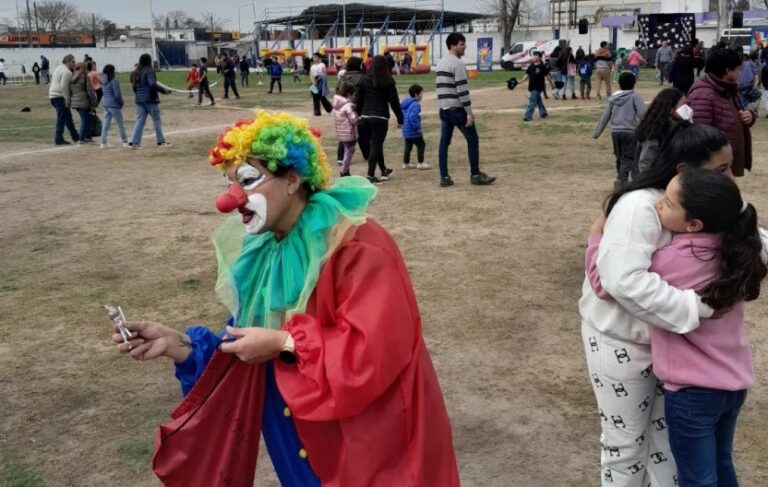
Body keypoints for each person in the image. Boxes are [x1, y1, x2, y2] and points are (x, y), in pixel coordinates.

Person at [110, 111, 461, 487]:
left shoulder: (358, 245)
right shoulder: (263, 251)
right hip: (295, 445)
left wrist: (284, 343)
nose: (230, 200)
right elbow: (248, 345)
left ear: (293, 180)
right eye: (230, 183)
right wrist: (177, 345)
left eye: (247, 181)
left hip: (365, 452)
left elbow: (372, 353)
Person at [580, 123, 736, 487]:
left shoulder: (710, 203)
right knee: (625, 449)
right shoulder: (640, 207)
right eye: (721, 169)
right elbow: (619, 281)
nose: (732, 178)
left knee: (666, 446)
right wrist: (698, 306)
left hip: (672, 349)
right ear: (683, 171)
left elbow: (752, 237)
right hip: (621, 342)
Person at [647, 169, 764, 486]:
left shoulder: (670, 262)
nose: (658, 205)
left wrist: (597, 237)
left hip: (692, 392)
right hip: (733, 384)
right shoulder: (737, 250)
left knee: (697, 479)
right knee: (722, 464)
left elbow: (613, 284)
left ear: (694, 225)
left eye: (668, 203)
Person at [435, 33, 496, 187]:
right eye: (462, 44)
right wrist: (469, 112)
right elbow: (462, 90)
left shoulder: (440, 63)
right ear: (453, 46)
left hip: (444, 108)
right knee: (473, 139)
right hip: (457, 109)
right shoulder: (458, 64)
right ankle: (475, 175)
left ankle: (444, 177)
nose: (465, 47)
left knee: (444, 143)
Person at [687, 48, 756, 177]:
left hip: (724, 164)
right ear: (727, 70)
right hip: (713, 168)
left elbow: (735, 116)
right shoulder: (703, 94)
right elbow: (699, 136)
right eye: (738, 69)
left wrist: (749, 116)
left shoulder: (728, 89)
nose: (740, 73)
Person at [355, 55, 404, 184]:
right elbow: (394, 102)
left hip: (365, 117)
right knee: (376, 145)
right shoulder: (388, 80)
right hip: (380, 117)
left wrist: (358, 115)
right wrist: (400, 119)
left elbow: (358, 99)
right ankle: (370, 175)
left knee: (376, 144)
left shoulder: (364, 79)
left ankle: (383, 169)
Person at [593, 72, 647, 185]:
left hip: (615, 132)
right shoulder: (634, 97)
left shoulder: (613, 98)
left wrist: (596, 133)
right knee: (628, 157)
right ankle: (622, 179)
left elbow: (605, 116)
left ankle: (621, 177)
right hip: (630, 132)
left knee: (619, 157)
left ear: (619, 84)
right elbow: (643, 114)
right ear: (634, 84)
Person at [634, 88, 690, 174]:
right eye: (684, 105)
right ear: (670, 109)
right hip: (653, 178)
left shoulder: (681, 126)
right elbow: (645, 163)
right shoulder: (656, 131)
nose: (687, 108)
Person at [129, 53, 171, 149]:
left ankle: (134, 142)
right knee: (156, 120)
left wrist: (138, 95)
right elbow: (152, 84)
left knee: (140, 121)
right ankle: (161, 142)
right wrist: (164, 91)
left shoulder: (136, 71)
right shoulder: (149, 70)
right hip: (150, 99)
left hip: (140, 100)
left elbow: (134, 86)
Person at [335, 56, 366, 164]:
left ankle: (340, 157)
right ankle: (367, 153)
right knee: (361, 131)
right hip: (359, 106)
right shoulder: (363, 77)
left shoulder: (343, 77)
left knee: (346, 131)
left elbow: (337, 91)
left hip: (344, 106)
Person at [48, 54, 79, 145]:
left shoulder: (58, 68)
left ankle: (75, 136)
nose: (74, 64)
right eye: (73, 62)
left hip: (53, 96)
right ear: (68, 62)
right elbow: (63, 86)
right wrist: (67, 99)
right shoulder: (67, 72)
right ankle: (59, 139)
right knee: (62, 118)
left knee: (67, 117)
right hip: (59, 96)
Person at [99, 64, 129, 149]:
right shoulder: (114, 81)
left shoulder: (103, 81)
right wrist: (121, 103)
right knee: (120, 123)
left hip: (106, 104)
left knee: (105, 124)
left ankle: (103, 143)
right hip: (114, 105)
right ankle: (124, 141)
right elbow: (117, 95)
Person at [332, 83, 359, 177]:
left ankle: (346, 170)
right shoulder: (348, 105)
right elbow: (353, 119)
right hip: (349, 133)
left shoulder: (337, 104)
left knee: (348, 150)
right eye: (353, 94)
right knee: (349, 152)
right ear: (348, 94)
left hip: (342, 132)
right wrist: (359, 118)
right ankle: (344, 171)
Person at [520, 51, 555, 122]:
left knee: (532, 101)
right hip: (531, 86)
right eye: (533, 55)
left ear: (539, 57)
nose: (533, 57)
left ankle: (528, 116)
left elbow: (548, 76)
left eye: (535, 56)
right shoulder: (531, 65)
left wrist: (552, 85)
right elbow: (527, 74)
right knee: (538, 100)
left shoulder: (542, 66)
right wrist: (520, 81)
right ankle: (543, 113)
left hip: (538, 87)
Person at [401, 84, 428, 170]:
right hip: (413, 130)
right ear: (416, 94)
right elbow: (412, 117)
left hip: (406, 130)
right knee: (421, 144)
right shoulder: (415, 104)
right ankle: (421, 163)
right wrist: (417, 128)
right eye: (421, 93)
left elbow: (403, 115)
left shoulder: (406, 103)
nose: (422, 95)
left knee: (408, 145)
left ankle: (406, 163)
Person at [70, 62, 98, 145]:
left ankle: (87, 136)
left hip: (75, 101)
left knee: (85, 119)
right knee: (85, 120)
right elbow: (90, 91)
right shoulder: (85, 77)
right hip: (83, 101)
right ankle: (81, 138)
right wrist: (93, 104)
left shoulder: (72, 76)